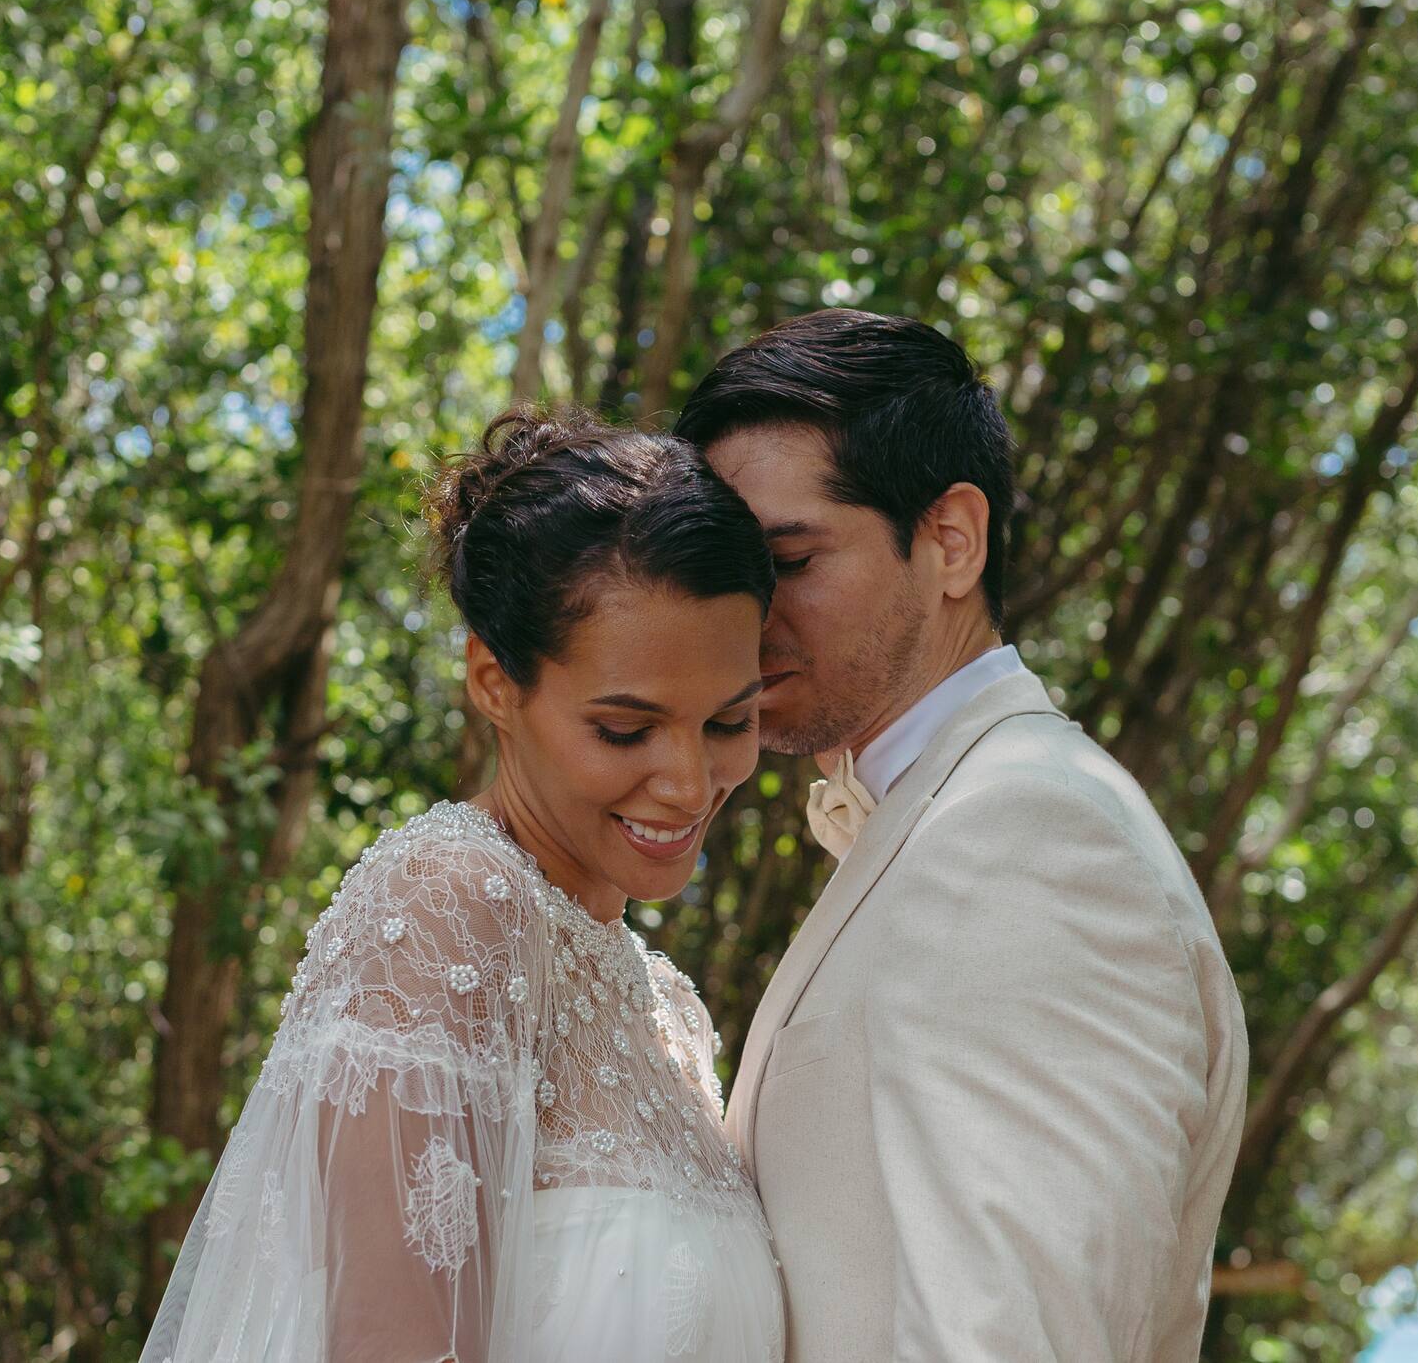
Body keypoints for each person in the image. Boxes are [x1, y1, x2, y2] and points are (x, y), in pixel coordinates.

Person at [142, 406, 785, 1363]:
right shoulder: (447, 908)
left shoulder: (669, 1015)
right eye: (624, 730)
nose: (690, 785)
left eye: (728, 723)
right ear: (493, 680)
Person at [676, 309, 1249, 1363]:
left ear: (949, 540)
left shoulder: (1034, 841)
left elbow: (1008, 1336)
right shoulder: (957, 818)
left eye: (787, 560)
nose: (741, 616)